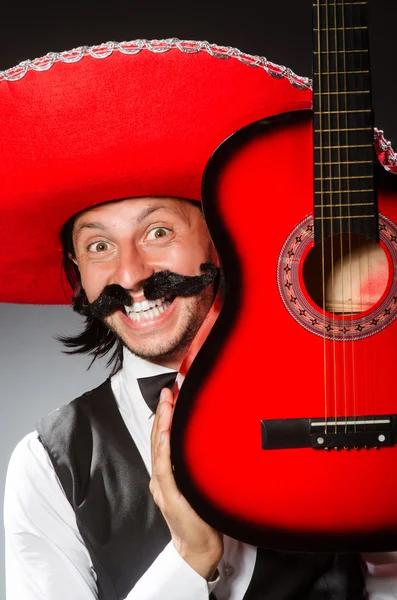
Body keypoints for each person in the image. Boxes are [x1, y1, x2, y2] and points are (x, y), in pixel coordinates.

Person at [2, 38, 397, 600]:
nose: (131, 274)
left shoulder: (343, 394)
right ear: (76, 271)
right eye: (97, 248)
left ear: (222, 240)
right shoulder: (48, 463)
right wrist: (190, 561)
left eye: (158, 233)